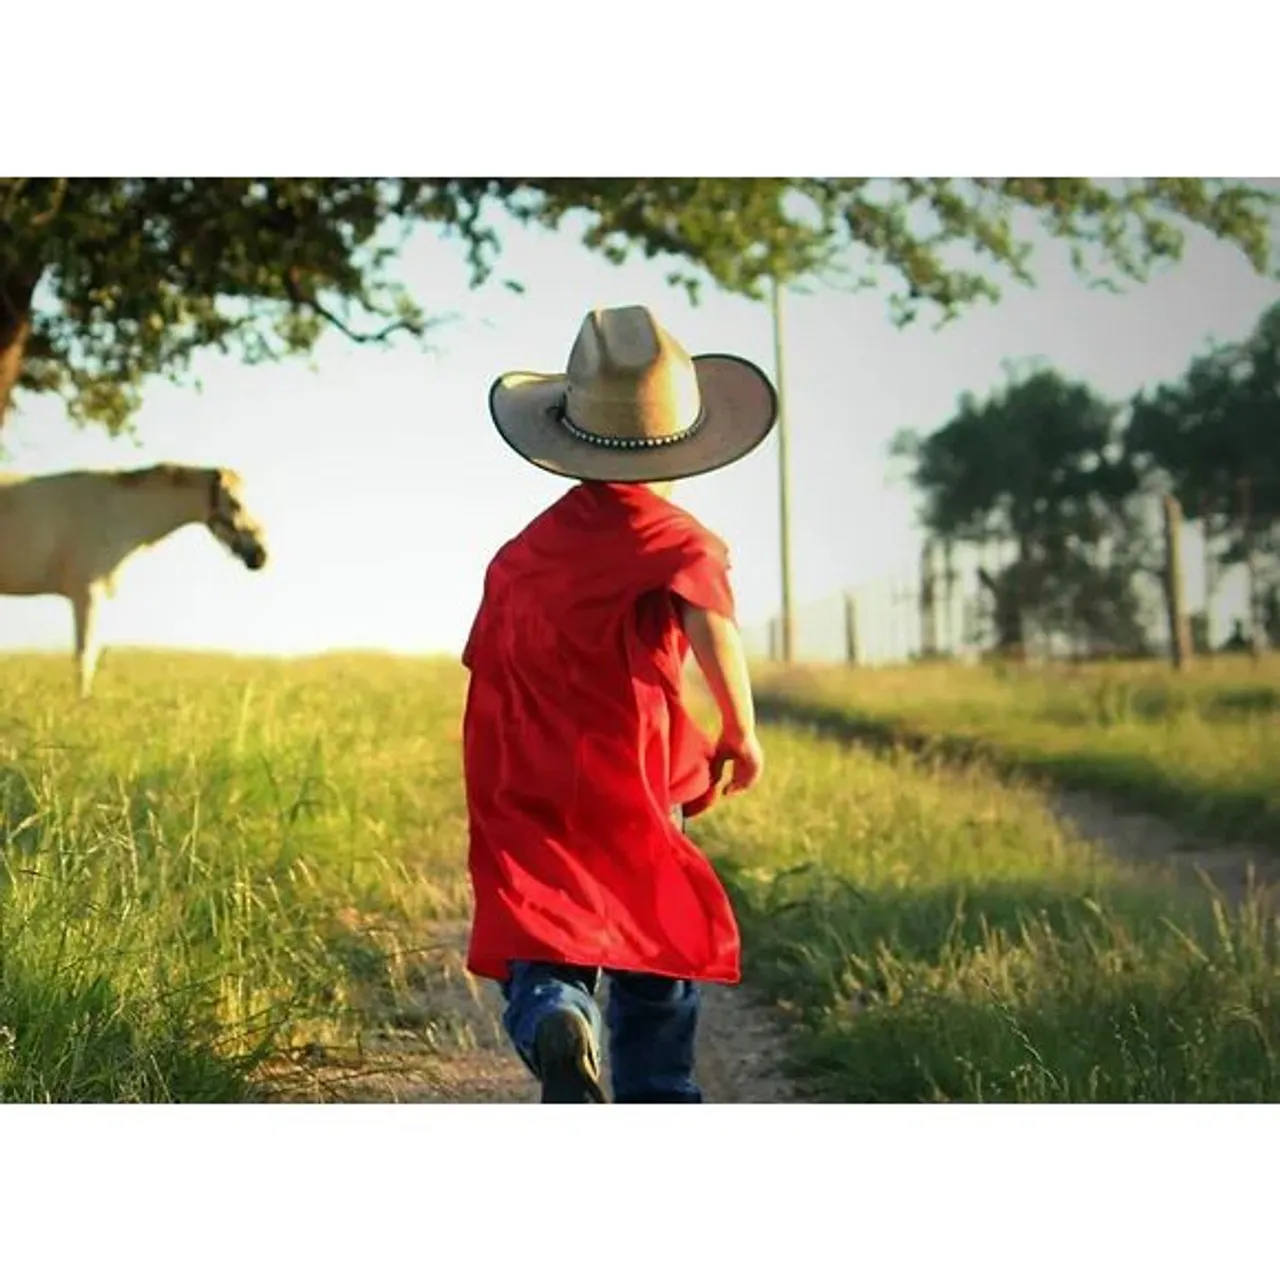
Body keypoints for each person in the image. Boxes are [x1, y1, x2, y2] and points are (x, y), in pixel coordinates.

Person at [461, 304, 778, 1103]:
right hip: (633, 780)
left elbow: (488, 673)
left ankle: (555, 1013)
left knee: (547, 929)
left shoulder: (520, 556)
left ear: (569, 442)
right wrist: (739, 729)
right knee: (653, 945)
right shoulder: (676, 541)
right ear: (681, 447)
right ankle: (658, 1095)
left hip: (529, 784)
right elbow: (714, 625)